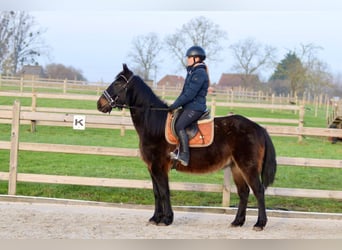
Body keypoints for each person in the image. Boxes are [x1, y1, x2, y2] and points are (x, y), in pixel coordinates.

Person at [168, 45, 210, 166]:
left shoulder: (200, 73)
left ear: (196, 58)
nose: (187, 59)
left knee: (179, 125)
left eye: (189, 57)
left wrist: (175, 105)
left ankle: (184, 155)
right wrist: (174, 105)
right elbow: (184, 93)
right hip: (189, 106)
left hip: (195, 107)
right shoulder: (192, 72)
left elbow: (190, 95)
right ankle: (178, 149)